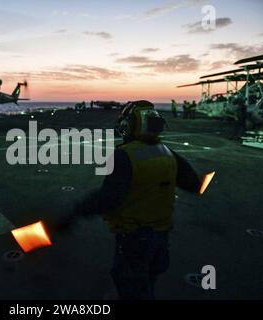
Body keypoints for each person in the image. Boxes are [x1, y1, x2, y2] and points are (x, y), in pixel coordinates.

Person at [68, 100, 201, 299]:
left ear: (131, 125)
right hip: (161, 237)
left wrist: (77, 211)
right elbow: (193, 184)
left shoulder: (124, 156)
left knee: (131, 287)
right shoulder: (167, 153)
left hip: (134, 238)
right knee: (148, 282)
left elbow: (108, 199)